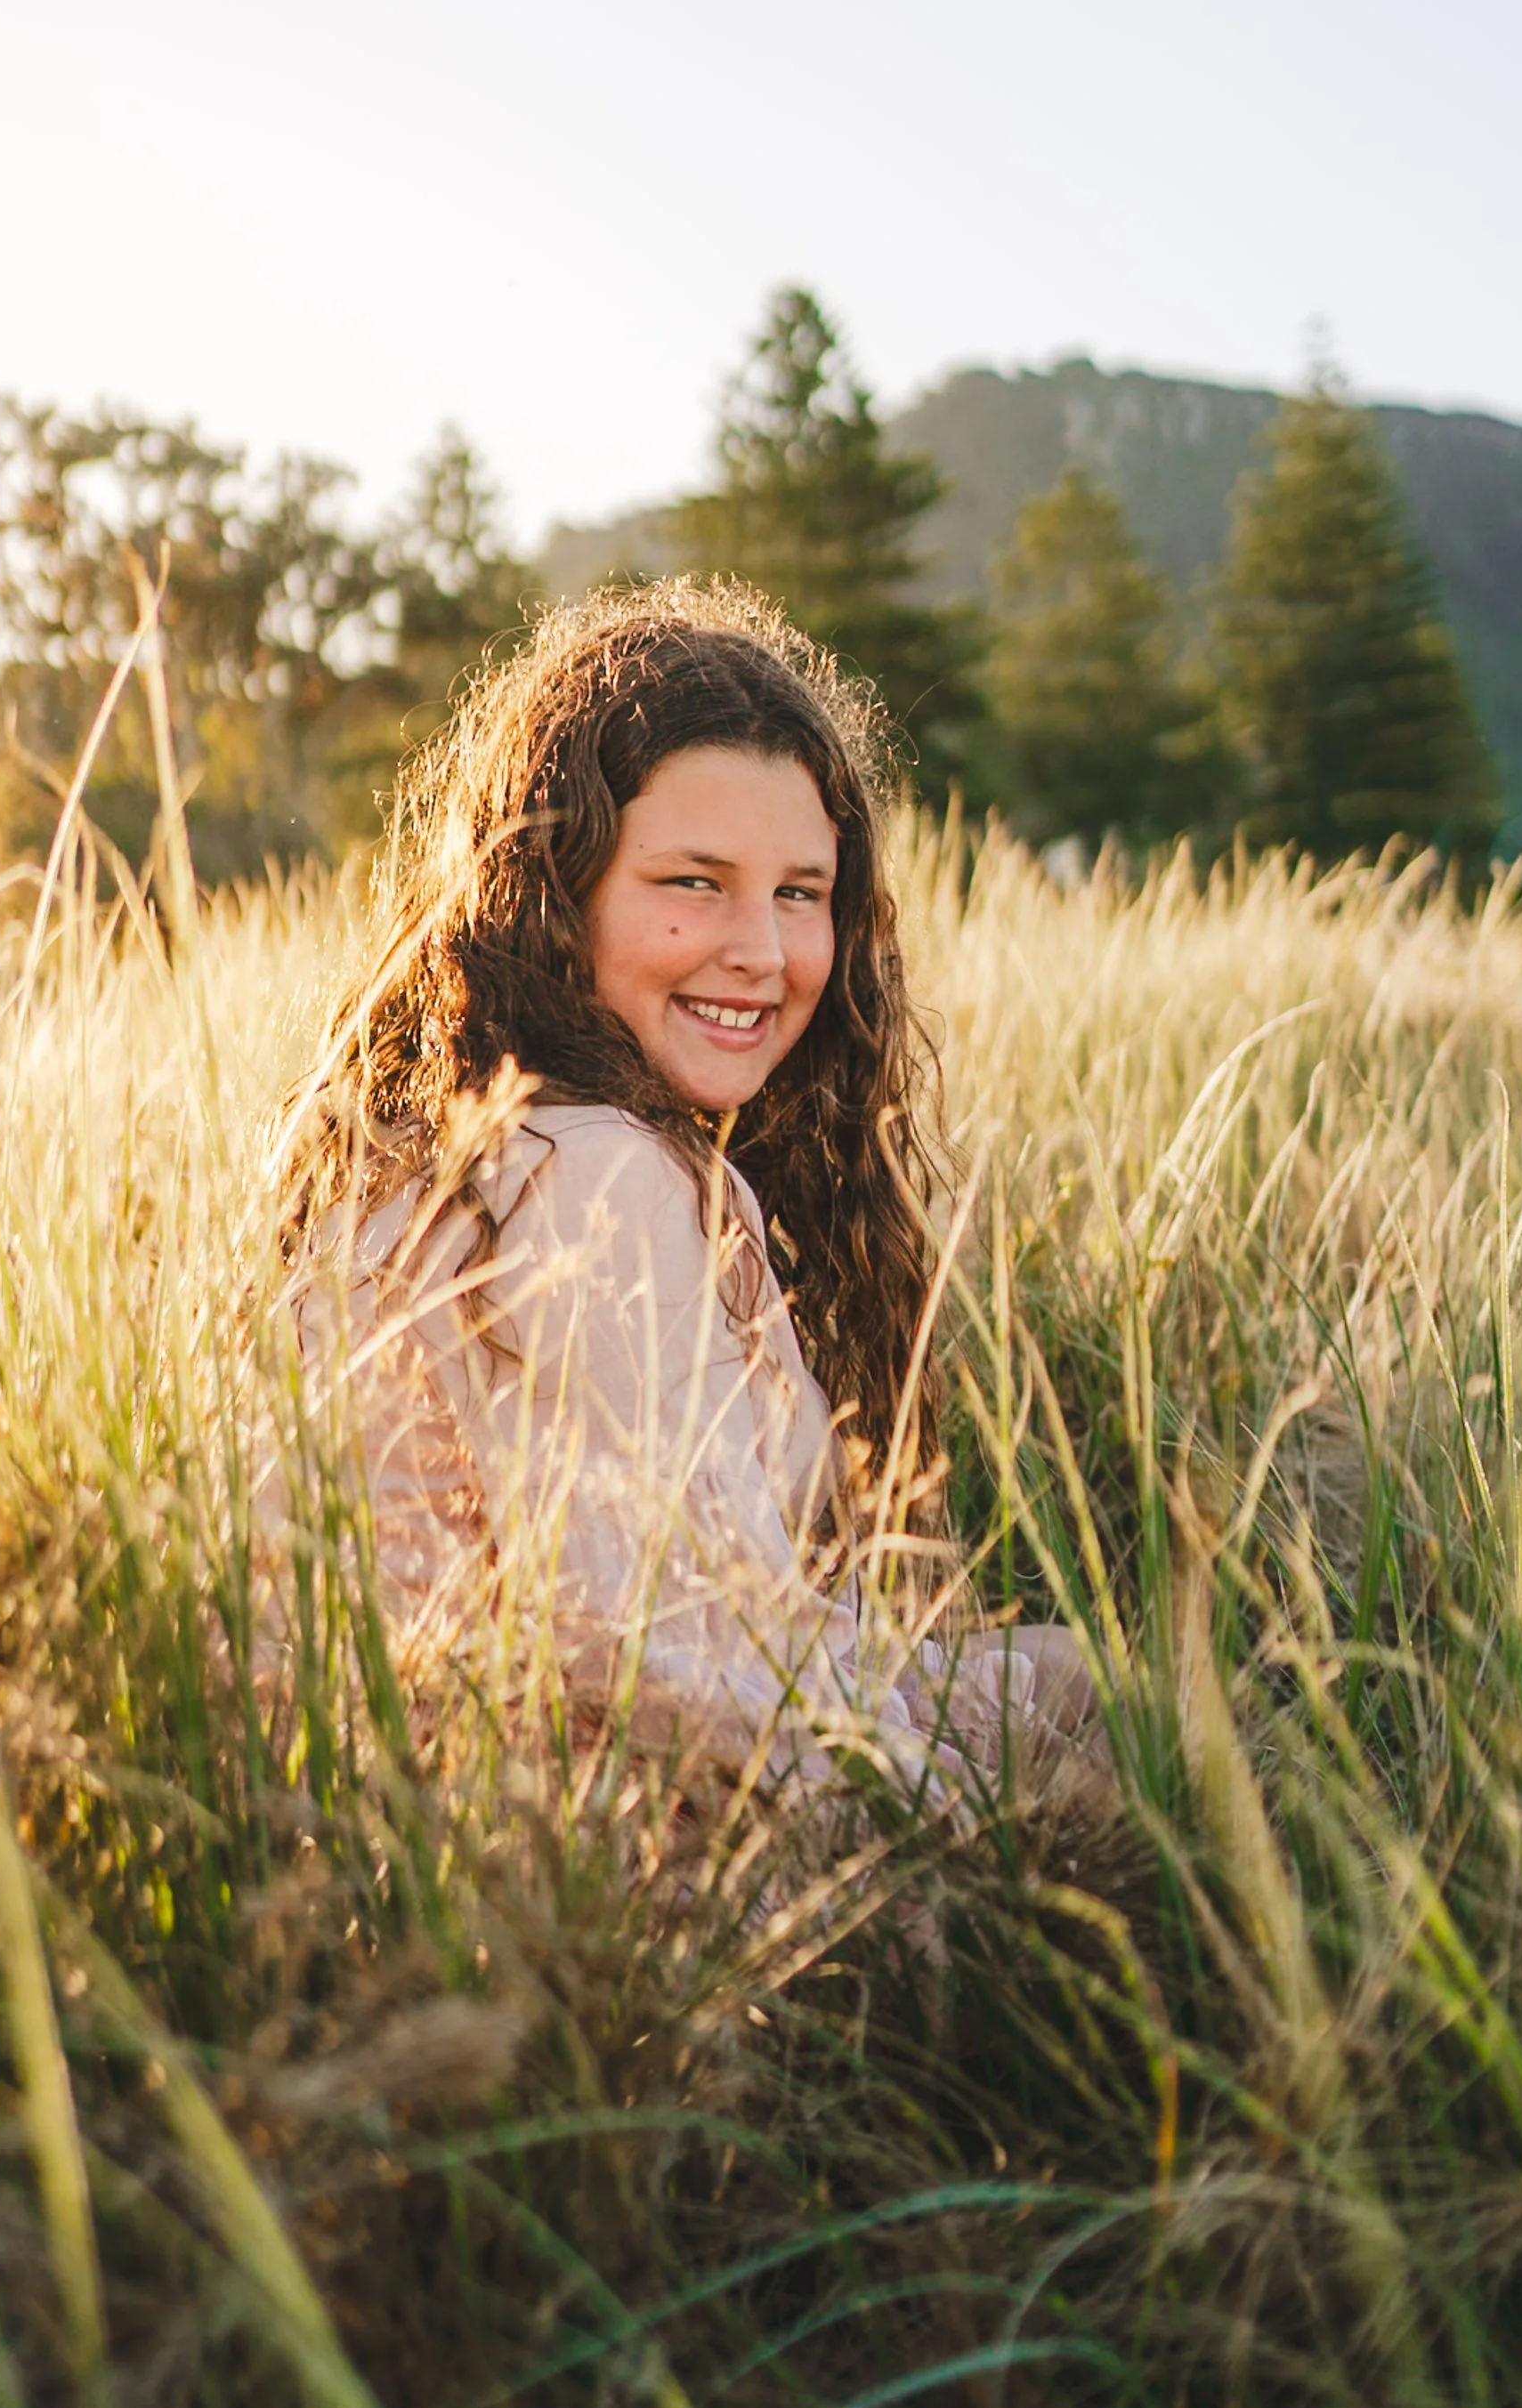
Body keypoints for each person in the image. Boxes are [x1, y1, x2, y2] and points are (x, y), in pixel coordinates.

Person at [268, 579, 1101, 1817]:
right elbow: (699, 1674)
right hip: (557, 1838)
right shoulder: (596, 1171)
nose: (762, 950)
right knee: (1136, 1727)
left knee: (1087, 1682)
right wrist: (1000, 1834)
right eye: (694, 883)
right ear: (558, 888)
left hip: (444, 1786)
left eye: (801, 893)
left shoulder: (486, 1137)